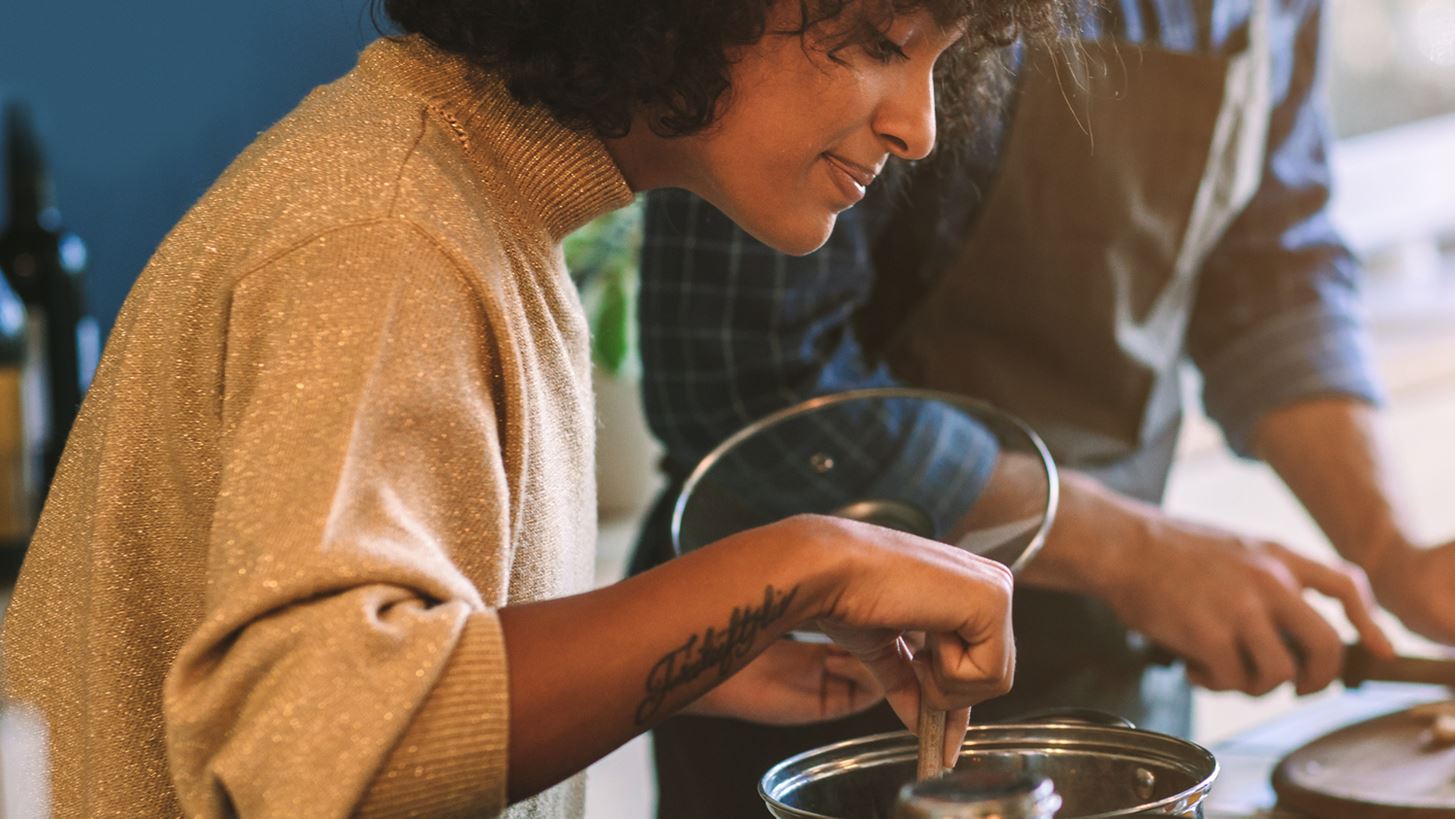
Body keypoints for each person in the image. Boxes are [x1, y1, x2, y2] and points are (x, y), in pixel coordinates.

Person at [0, 1, 1075, 816]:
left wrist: (695, 662)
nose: (922, 126)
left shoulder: (475, 201)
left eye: (943, 60)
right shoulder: (386, 231)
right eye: (883, 41)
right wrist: (809, 561)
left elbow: (412, 632)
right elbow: (323, 749)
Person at [631, 0, 1448, 815]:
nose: (917, 126)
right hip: (830, 693)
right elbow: (750, 378)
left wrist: (1392, 551)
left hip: (1108, 672)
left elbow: (1271, 271)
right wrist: (1132, 554)